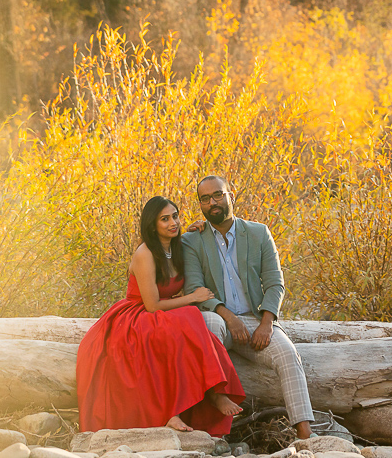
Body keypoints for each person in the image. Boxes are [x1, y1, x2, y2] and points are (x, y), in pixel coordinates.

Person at [77, 196, 246, 434]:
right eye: (164, 219)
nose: (172, 223)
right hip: (137, 315)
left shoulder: (177, 246)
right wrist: (192, 297)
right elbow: (153, 305)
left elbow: (205, 244)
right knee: (187, 318)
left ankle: (213, 393)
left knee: (190, 323)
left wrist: (202, 228)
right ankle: (176, 410)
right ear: (152, 225)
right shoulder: (145, 253)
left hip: (162, 309)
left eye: (175, 216)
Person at [181, 176, 314, 439]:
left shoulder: (258, 232)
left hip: (255, 319)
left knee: (288, 354)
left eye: (218, 195)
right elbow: (193, 289)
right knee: (209, 323)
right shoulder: (192, 241)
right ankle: (216, 405)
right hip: (220, 320)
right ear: (200, 205)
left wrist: (266, 323)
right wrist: (229, 317)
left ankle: (306, 434)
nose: (212, 203)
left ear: (232, 196)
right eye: (205, 199)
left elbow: (275, 283)